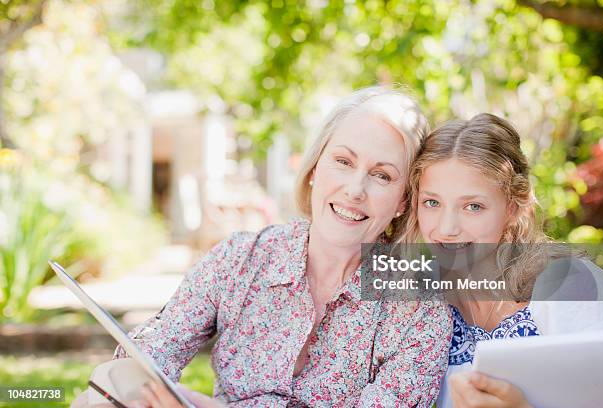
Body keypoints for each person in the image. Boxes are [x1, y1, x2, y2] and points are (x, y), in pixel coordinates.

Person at [77, 86, 452, 407]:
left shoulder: (421, 304)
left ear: (404, 200)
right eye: (343, 161)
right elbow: (154, 350)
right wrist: (143, 387)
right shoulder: (241, 258)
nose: (355, 189)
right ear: (315, 168)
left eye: (382, 175)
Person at [403, 113, 603, 408]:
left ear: (513, 208)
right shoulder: (420, 304)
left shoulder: (568, 284)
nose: (446, 228)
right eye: (432, 203)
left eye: (473, 206)